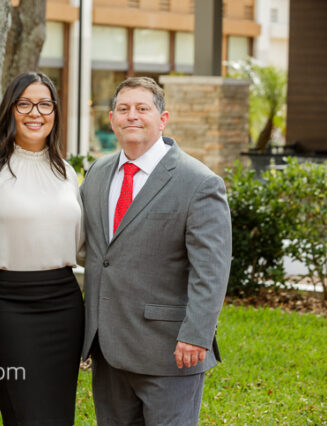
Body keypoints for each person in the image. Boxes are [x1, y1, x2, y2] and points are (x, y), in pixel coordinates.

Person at [80, 76, 232, 425]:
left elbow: (211, 269)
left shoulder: (199, 182)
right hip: (109, 349)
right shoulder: (98, 173)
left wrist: (197, 334)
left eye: (142, 108)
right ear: (112, 118)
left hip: (171, 352)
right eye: (123, 108)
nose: (132, 115)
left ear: (162, 119)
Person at [0, 71, 84, 425]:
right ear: (10, 111)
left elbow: (83, 248)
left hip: (63, 303)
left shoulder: (66, 172)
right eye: (25, 103)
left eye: (45, 104)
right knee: (26, 415)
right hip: (6, 306)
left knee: (59, 416)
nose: (36, 112)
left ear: (55, 112)